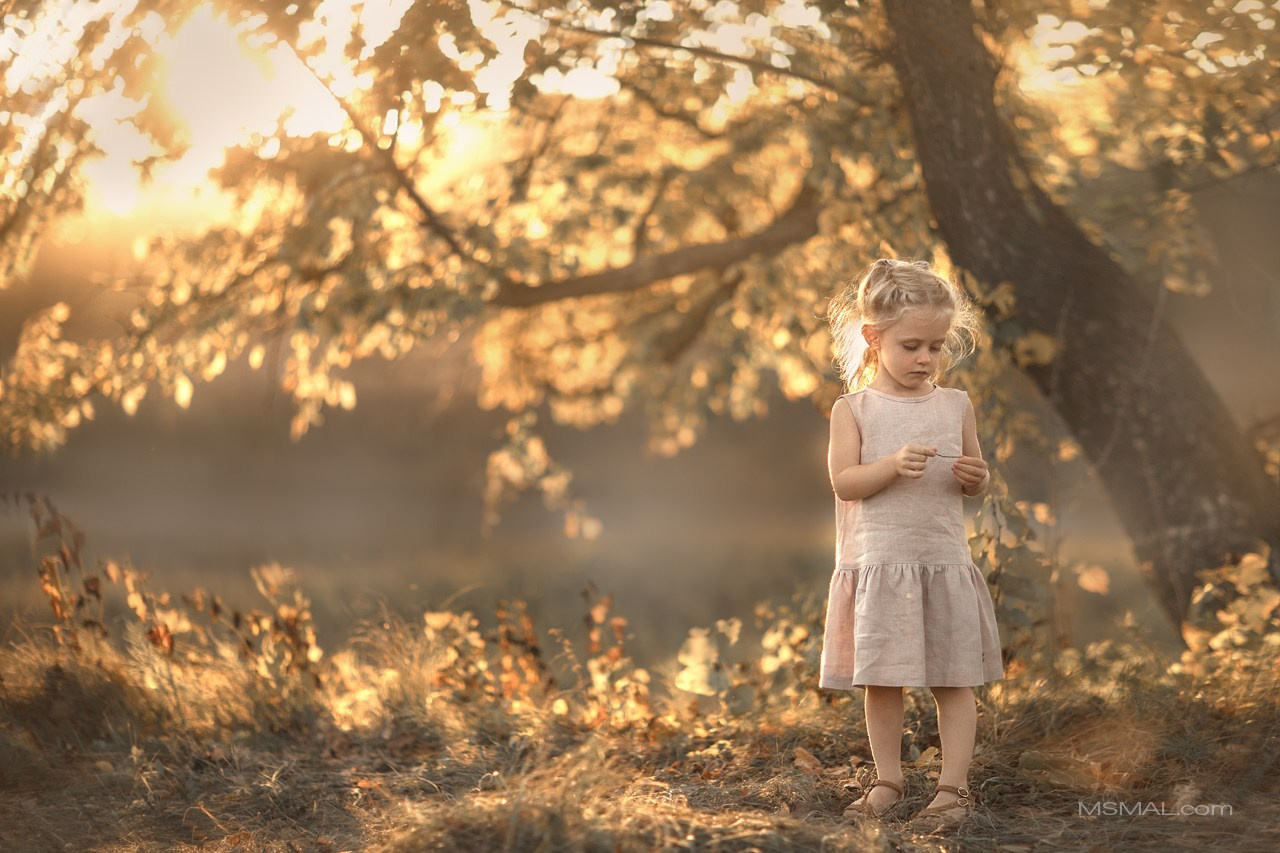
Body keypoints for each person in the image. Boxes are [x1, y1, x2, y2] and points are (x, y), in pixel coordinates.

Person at [818, 257, 1004, 830]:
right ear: (874, 339)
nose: (926, 359)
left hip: (941, 561)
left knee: (954, 678)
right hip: (880, 564)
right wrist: (893, 465)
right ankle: (888, 780)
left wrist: (978, 478)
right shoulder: (853, 410)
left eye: (937, 346)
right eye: (912, 345)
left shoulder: (955, 404)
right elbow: (845, 483)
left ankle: (954, 789)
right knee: (883, 679)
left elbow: (975, 474)